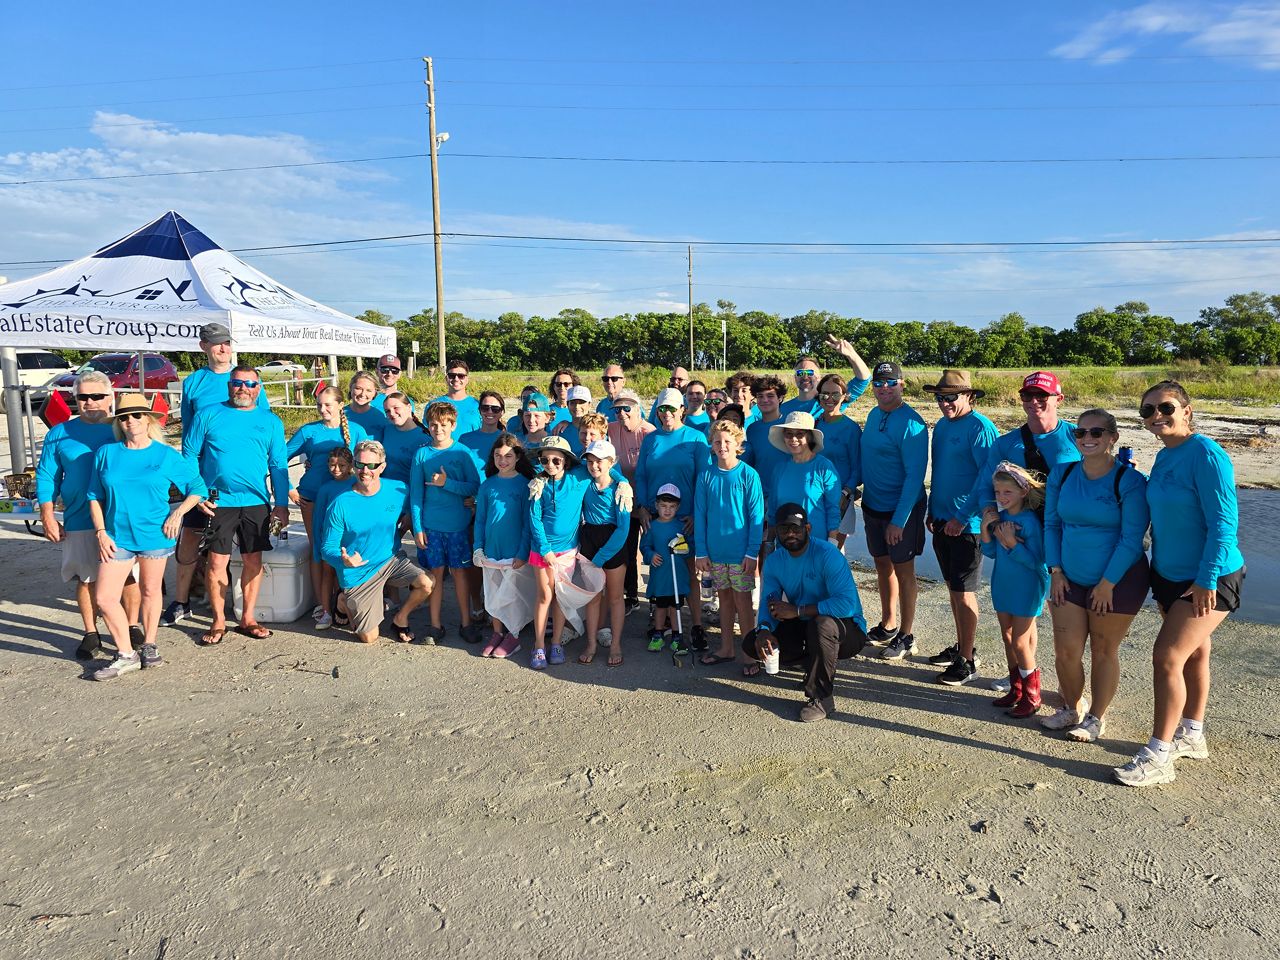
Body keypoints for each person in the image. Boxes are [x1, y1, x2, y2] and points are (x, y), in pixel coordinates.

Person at [1114, 381, 1246, 788]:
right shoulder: (1167, 456)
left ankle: (1159, 753)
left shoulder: (1207, 454)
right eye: (1147, 410)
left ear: (1186, 410)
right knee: (1194, 653)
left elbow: (1224, 524)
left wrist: (1206, 581)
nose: (1157, 416)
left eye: (1165, 407)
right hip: (1169, 575)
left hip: (1209, 575)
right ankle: (1193, 733)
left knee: (1166, 656)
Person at [1043, 409, 1150, 739]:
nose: (1087, 438)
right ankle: (1070, 708)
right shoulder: (1061, 474)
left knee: (1104, 650)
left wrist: (1106, 584)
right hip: (1069, 577)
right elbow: (1052, 525)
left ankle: (1096, 717)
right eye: (1080, 433)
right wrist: (1056, 571)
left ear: (1112, 438)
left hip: (1119, 580)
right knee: (1066, 650)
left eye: (1096, 433)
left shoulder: (1129, 481)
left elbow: (1132, 539)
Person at [86, 395, 207, 680]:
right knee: (104, 597)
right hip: (117, 536)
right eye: (124, 417)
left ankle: (150, 645)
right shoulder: (107, 453)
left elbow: (197, 486)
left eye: (137, 415)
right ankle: (126, 653)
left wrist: (178, 515)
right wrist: (101, 532)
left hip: (155, 534)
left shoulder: (164, 455)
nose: (131, 421)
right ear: (119, 423)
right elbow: (94, 495)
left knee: (151, 591)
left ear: (148, 419)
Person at [165, 321, 268, 626]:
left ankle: (231, 608)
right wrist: (190, 484)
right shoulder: (194, 382)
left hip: (243, 488)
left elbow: (259, 425)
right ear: (203, 347)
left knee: (240, 552)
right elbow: (188, 439)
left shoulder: (247, 380)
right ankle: (181, 601)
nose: (224, 349)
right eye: (216, 343)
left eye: (227, 343)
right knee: (189, 541)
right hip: (203, 483)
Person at [36, 371, 143, 660]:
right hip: (79, 518)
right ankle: (90, 632)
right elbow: (47, 476)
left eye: (97, 396)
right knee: (86, 578)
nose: (91, 402)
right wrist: (47, 514)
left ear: (111, 397)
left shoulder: (123, 428)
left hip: (121, 519)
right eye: (83, 397)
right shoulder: (59, 434)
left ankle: (132, 626)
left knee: (129, 578)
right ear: (75, 399)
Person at [181, 365, 290, 646]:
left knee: (254, 560)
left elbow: (278, 465)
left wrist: (281, 504)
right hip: (218, 501)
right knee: (217, 561)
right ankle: (218, 620)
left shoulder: (271, 421)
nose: (244, 389)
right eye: (238, 383)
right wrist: (197, 491)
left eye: (251, 384)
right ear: (229, 385)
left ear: (259, 388)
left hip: (256, 502)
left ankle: (248, 618)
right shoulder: (208, 414)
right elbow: (189, 453)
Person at [745, 503, 868, 722]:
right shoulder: (774, 561)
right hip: (804, 621)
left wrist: (798, 609)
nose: (790, 534)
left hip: (847, 629)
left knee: (821, 625)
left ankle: (822, 697)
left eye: (796, 528)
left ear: (808, 529)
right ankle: (816, 665)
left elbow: (847, 604)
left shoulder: (827, 554)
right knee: (752, 642)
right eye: (784, 529)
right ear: (777, 532)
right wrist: (764, 629)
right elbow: (768, 602)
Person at [921, 371, 998, 685]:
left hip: (967, 526)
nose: (944, 403)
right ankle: (962, 647)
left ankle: (967, 660)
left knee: (965, 595)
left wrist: (963, 517)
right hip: (941, 520)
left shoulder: (981, 428)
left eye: (951, 397)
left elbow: (989, 477)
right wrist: (931, 508)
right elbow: (939, 473)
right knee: (954, 591)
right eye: (940, 397)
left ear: (969, 397)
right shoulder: (940, 426)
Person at [320, 440, 432, 644]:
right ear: (353, 465)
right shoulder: (340, 504)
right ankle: (343, 601)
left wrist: (410, 521)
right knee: (369, 638)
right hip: (359, 572)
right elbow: (326, 548)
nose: (365, 471)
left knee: (427, 583)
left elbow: (416, 505)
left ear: (382, 467)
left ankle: (400, 618)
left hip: (391, 561)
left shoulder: (399, 489)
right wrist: (342, 560)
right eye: (360, 464)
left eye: (372, 465)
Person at [859, 362, 929, 661]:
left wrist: (899, 520)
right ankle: (888, 624)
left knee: (904, 572)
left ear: (902, 385)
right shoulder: (874, 415)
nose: (884, 388)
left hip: (902, 509)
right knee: (882, 565)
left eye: (890, 382)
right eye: (879, 383)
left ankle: (907, 634)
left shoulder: (913, 424)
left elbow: (915, 477)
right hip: (873, 505)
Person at [633, 387, 710, 647]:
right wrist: (643, 506)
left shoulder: (696, 439)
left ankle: (696, 624)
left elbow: (704, 479)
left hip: (685, 517)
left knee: (688, 572)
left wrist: (698, 515)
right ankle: (661, 620)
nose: (666, 414)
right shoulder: (650, 439)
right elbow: (642, 475)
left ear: (682, 410)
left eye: (672, 409)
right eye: (661, 409)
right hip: (657, 516)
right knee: (659, 567)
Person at [286, 386, 368, 628]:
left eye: (328, 404)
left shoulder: (356, 430)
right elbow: (279, 457)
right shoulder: (309, 431)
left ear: (341, 405)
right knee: (319, 552)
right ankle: (324, 606)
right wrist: (289, 488)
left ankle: (343, 601)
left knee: (344, 550)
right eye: (319, 405)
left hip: (346, 498)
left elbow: (369, 460)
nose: (323, 409)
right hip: (312, 497)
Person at [409, 402, 483, 645]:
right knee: (435, 575)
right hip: (431, 526)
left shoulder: (462, 452)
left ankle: (466, 622)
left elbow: (474, 486)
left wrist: (447, 483)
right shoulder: (421, 454)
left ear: (453, 425)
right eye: (432, 424)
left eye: (443, 424)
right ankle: (435, 624)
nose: (437, 429)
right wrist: (418, 528)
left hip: (457, 527)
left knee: (460, 574)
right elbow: (416, 494)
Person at [982, 462, 1051, 719]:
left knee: (1021, 641)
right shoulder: (1003, 519)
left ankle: (1033, 696)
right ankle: (1016, 688)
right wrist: (987, 532)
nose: (1001, 497)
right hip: (1003, 583)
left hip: (1029, 584)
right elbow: (990, 553)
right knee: (1008, 636)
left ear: (1023, 491)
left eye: (1007, 492)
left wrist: (1012, 544)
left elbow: (1039, 562)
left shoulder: (1030, 522)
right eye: (997, 492)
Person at [694, 420, 764, 666]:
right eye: (717, 442)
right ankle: (726, 648)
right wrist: (700, 552)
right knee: (723, 599)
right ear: (711, 445)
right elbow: (700, 515)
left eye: (727, 441)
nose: (722, 446)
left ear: (738, 444)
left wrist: (752, 553)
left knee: (743, 602)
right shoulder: (706, 475)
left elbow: (757, 517)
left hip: (741, 553)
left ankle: (749, 653)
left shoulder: (749, 474)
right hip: (714, 552)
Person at [528, 436, 591, 669]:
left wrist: (622, 482)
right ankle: (538, 644)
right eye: (545, 460)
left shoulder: (578, 477)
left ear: (566, 461)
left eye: (556, 460)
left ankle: (556, 642)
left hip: (568, 550)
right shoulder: (538, 483)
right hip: (542, 551)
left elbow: (606, 468)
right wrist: (545, 549)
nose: (550, 465)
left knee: (561, 596)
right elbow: (534, 519)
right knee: (545, 596)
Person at [474, 433, 535, 659]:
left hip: (514, 553)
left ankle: (514, 634)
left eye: (508, 456)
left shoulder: (525, 485)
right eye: (498, 456)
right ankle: (497, 632)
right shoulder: (487, 485)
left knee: (512, 595)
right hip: (491, 551)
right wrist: (477, 548)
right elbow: (480, 520)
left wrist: (522, 552)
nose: (503, 460)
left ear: (518, 457)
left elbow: (528, 524)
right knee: (493, 594)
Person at [578, 439, 632, 667]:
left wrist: (602, 557)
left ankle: (616, 643)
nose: (594, 466)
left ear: (611, 462)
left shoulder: (620, 490)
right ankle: (590, 642)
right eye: (590, 461)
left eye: (599, 461)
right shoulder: (585, 482)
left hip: (613, 541)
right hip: (589, 537)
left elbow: (623, 529)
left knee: (615, 596)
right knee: (592, 595)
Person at [606, 389, 655, 613]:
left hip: (649, 499)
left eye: (627, 408)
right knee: (626, 548)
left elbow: (653, 472)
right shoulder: (611, 428)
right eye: (617, 409)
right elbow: (589, 429)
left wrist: (644, 505)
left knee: (654, 547)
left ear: (638, 409)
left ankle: (656, 598)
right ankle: (631, 595)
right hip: (624, 501)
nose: (622, 413)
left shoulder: (648, 432)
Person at [769, 412, 842, 542]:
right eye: (789, 434)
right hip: (785, 543)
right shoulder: (779, 468)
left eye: (799, 434)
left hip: (816, 543)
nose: (793, 439)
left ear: (809, 436)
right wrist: (769, 543)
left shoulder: (824, 467)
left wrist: (832, 542)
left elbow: (833, 509)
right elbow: (773, 509)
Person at [640, 484, 692, 655]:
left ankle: (677, 637)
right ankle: (658, 634)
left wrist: (682, 547)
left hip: (677, 574)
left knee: (676, 606)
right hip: (660, 575)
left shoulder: (681, 526)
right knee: (661, 606)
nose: (667, 510)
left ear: (678, 507)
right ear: (656, 505)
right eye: (663, 506)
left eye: (672, 506)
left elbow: (689, 548)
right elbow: (645, 546)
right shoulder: (652, 526)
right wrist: (651, 555)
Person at [814, 373, 862, 549]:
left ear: (844, 397)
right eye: (825, 393)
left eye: (835, 394)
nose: (829, 398)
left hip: (841, 499)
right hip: (815, 497)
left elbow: (858, 467)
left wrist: (846, 493)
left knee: (832, 550)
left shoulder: (851, 428)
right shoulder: (814, 425)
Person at [311, 446, 355, 630]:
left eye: (341, 465)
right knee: (327, 572)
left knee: (346, 574)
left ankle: (344, 610)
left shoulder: (356, 484)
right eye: (332, 465)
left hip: (350, 540)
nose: (336, 469)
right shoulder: (325, 488)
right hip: (330, 540)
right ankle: (326, 613)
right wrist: (317, 545)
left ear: (351, 465)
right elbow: (318, 519)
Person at [778, 335, 871, 419]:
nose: (805, 376)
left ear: (819, 377)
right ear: (795, 377)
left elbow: (863, 379)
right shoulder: (782, 409)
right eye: (800, 373)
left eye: (810, 373)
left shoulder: (831, 401)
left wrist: (851, 355)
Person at [742, 374, 789, 521]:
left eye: (770, 396)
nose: (764, 400)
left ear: (780, 398)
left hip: (786, 493)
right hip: (760, 495)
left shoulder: (790, 425)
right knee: (761, 541)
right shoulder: (752, 429)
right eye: (760, 396)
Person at [379, 392, 429, 484]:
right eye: (387, 411)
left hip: (408, 492)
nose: (392, 413)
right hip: (384, 488)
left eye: (396, 408)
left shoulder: (424, 438)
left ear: (409, 407)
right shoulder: (387, 430)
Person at [431, 359, 481, 438]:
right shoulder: (433, 405)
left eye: (461, 376)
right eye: (452, 375)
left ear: (467, 379)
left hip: (470, 449)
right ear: (446, 378)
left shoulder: (478, 405)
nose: (456, 379)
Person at [459, 389, 507, 464]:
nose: (490, 412)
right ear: (479, 410)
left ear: (502, 412)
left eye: (495, 409)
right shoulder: (465, 439)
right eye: (485, 408)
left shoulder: (508, 440)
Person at [344, 371, 388, 442]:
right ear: (351, 389)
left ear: (375, 393)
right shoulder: (339, 414)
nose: (363, 394)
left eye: (369, 390)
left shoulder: (380, 416)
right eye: (358, 388)